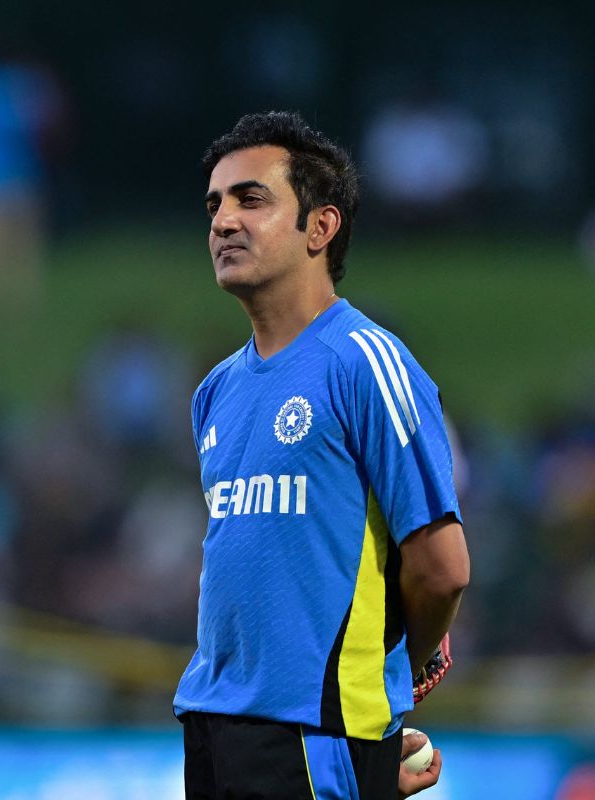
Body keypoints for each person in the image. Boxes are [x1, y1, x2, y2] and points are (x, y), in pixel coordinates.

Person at [172, 111, 470, 799]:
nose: (222, 221)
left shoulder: (365, 361)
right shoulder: (214, 392)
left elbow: (443, 568)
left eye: (252, 198)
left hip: (313, 729)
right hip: (213, 723)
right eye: (214, 204)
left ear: (320, 227)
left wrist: (385, 691)